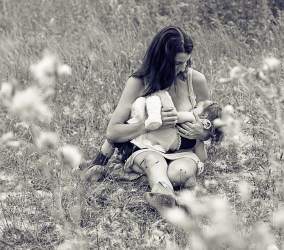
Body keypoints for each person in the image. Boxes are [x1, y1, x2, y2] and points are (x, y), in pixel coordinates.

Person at [84, 26, 213, 214]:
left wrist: (203, 132)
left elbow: (213, 122)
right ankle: (166, 197)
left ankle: (136, 177)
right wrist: (148, 123)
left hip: (184, 151)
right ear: (162, 61)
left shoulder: (196, 80)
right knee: (154, 161)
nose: (183, 68)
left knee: (179, 173)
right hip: (145, 150)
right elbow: (112, 132)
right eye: (177, 63)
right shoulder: (138, 83)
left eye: (186, 62)